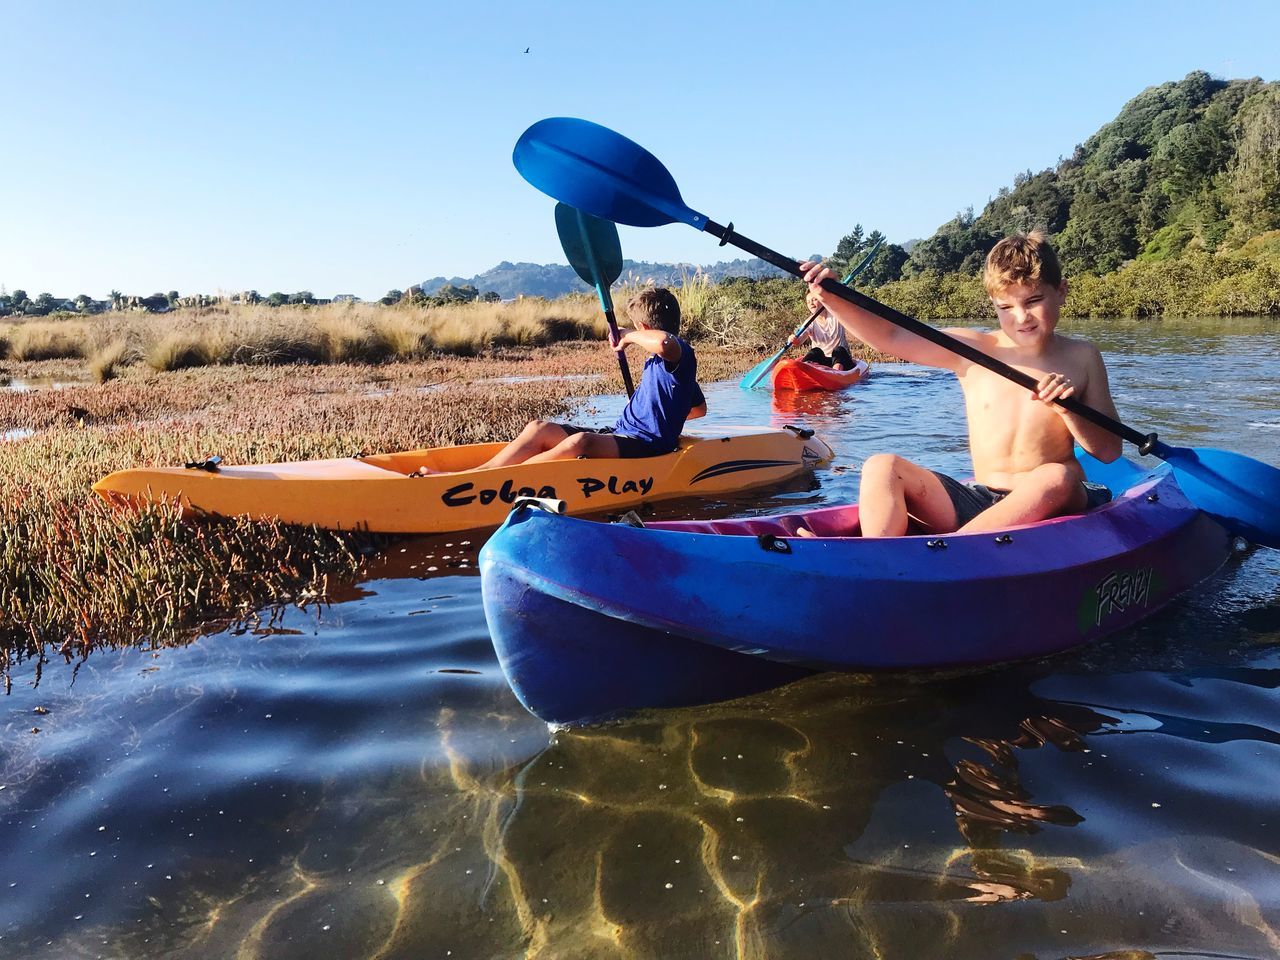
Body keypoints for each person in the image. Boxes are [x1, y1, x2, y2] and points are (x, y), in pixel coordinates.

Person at [799, 231, 1121, 538]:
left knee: (1056, 476)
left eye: (1033, 300)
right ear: (993, 303)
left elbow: (1108, 451)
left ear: (1061, 292)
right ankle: (878, 558)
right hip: (981, 501)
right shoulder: (974, 351)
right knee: (882, 466)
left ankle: (948, 550)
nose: (1022, 317)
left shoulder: (1082, 357)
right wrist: (833, 297)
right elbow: (891, 336)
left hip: (1057, 500)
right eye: (1006, 307)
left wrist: (1068, 411)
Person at [470, 287, 707, 469]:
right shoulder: (665, 367)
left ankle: (507, 479)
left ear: (642, 326)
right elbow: (699, 409)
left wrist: (628, 336)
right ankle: (484, 471)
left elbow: (664, 343)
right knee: (539, 428)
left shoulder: (681, 353)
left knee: (580, 442)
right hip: (621, 432)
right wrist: (650, 409)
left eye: (636, 329)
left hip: (647, 444)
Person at [791, 290, 855, 370]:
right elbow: (800, 340)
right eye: (808, 302)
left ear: (823, 301)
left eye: (814, 300)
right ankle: (803, 370)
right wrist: (794, 340)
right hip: (824, 362)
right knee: (815, 351)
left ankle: (836, 372)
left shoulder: (837, 315)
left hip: (842, 361)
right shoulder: (809, 322)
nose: (811, 303)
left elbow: (846, 307)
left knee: (839, 350)